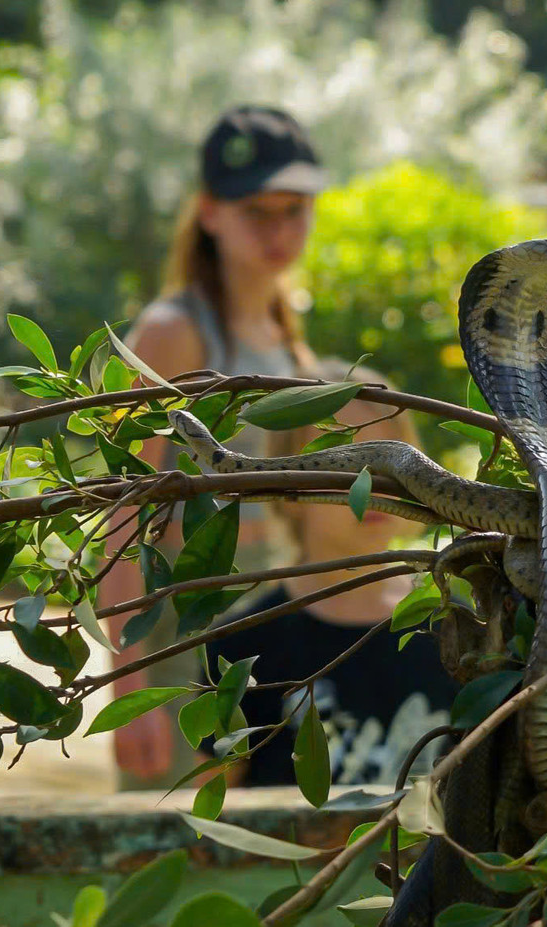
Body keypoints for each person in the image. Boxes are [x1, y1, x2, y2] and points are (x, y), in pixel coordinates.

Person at [101, 105, 326, 789]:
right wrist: (128, 687)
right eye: (258, 210)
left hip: (276, 664)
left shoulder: (289, 336)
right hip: (183, 669)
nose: (281, 229)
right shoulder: (174, 333)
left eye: (296, 208)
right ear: (209, 213)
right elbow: (119, 514)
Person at [205, 361, 460, 788]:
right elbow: (219, 812)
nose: (373, 481)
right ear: (286, 487)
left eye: (389, 456)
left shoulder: (459, 625)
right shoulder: (239, 646)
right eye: (346, 459)